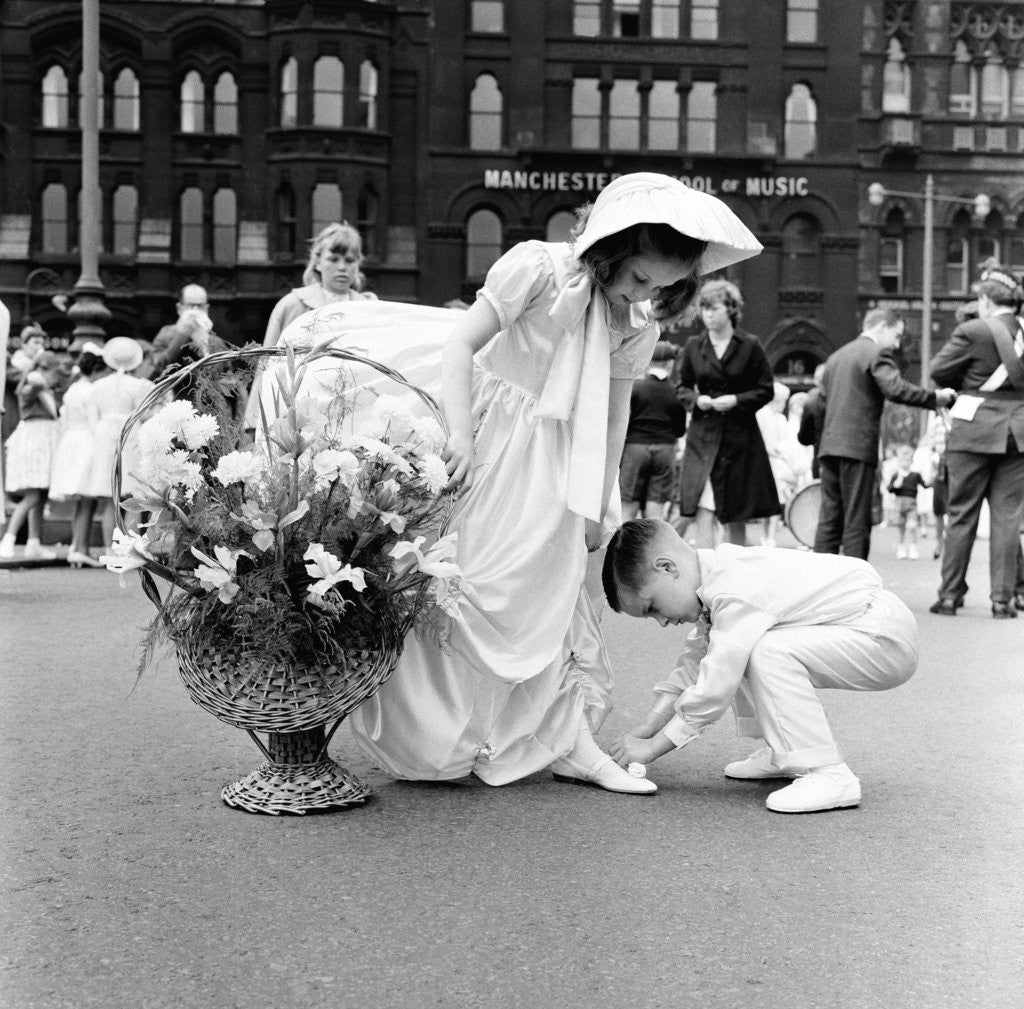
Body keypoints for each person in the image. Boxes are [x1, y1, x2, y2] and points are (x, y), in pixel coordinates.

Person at [341, 173, 761, 794]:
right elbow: (461, 346)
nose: (646, 293)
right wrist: (458, 436)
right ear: (611, 246)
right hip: (489, 444)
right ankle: (450, 735)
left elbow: (615, 414)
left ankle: (567, 740)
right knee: (467, 588)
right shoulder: (537, 268)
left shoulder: (635, 320)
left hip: (564, 459)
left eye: (665, 286)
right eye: (641, 277)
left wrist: (599, 501)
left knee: (554, 597)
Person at [602, 519, 919, 813]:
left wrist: (653, 748)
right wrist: (645, 729)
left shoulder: (732, 588)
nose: (661, 621)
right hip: (865, 625)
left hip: (881, 632)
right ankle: (787, 752)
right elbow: (693, 667)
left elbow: (713, 688)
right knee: (734, 647)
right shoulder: (715, 579)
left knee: (759, 650)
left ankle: (829, 773)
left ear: (668, 568)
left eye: (652, 607)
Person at [813, 307, 956, 560]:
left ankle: (822, 584)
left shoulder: (835, 358)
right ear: (883, 327)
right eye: (897, 335)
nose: (897, 343)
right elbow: (895, 389)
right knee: (856, 520)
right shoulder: (877, 352)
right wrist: (935, 398)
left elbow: (819, 408)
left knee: (829, 519)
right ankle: (854, 586)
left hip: (830, 446)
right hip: (857, 446)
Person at [927, 264, 1024, 619]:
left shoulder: (972, 330)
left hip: (973, 431)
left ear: (985, 301)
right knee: (1007, 519)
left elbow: (938, 371)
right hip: (1019, 433)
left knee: (962, 515)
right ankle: (1002, 600)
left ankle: (950, 596)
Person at [674, 278, 780, 547]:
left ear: (731, 309)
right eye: (705, 308)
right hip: (703, 438)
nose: (708, 314)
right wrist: (698, 401)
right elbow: (682, 387)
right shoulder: (694, 347)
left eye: (715, 308)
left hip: (739, 439)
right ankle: (707, 569)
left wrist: (736, 400)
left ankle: (736, 571)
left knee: (737, 511)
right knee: (703, 507)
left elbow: (766, 389)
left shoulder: (750, 345)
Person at [244, 222, 378, 430]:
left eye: (349, 260)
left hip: (354, 412)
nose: (342, 267)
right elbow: (268, 366)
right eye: (333, 259)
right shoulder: (293, 305)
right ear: (317, 262)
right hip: (301, 411)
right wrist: (254, 423)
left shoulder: (369, 310)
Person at [83, 338, 154, 551]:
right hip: (130, 434)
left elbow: (92, 419)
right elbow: (145, 414)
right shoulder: (140, 385)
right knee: (132, 494)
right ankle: (131, 548)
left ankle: (109, 549)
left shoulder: (97, 386)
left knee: (109, 497)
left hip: (105, 437)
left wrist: (102, 433)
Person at [0, 351, 65, 560]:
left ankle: (33, 542)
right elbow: (32, 384)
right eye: (55, 373)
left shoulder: (45, 389)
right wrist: (36, 371)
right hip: (34, 444)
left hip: (46, 443)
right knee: (32, 495)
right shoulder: (32, 386)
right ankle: (8, 539)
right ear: (44, 369)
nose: (57, 377)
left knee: (41, 496)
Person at [49, 344, 107, 567]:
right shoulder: (91, 390)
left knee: (81, 500)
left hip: (71, 441)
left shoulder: (74, 388)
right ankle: (80, 548)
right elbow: (94, 422)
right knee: (87, 498)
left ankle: (76, 546)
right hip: (87, 442)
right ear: (96, 369)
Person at [619, 341, 686, 520]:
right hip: (665, 450)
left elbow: (624, 421)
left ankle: (622, 546)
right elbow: (680, 430)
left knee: (628, 506)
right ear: (670, 364)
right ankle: (651, 546)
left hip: (636, 449)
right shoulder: (676, 392)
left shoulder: (636, 388)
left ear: (649, 361)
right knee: (655, 507)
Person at [756, 380, 808, 546]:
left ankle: (769, 535)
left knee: (772, 500)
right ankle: (768, 536)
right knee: (770, 500)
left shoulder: (777, 417)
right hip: (770, 462)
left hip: (774, 462)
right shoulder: (764, 415)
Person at [886, 444, 928, 560]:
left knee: (912, 526)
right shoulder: (896, 475)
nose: (905, 462)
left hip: (912, 504)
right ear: (899, 461)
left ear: (911, 460)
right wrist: (895, 485)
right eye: (902, 460)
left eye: (907, 460)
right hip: (899, 504)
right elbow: (889, 489)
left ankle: (913, 547)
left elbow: (925, 485)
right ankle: (901, 547)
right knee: (901, 527)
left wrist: (932, 480)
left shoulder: (915, 475)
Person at [797, 362, 826, 478]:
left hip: (821, 457)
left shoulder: (813, 399)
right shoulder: (845, 396)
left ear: (816, 380)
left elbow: (804, 438)